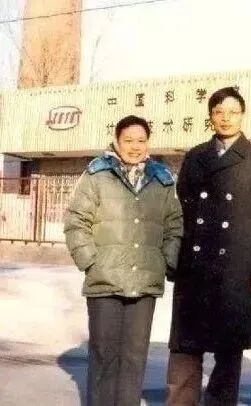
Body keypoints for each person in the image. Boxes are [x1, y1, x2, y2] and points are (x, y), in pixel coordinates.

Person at [166, 86, 251, 406]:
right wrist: (175, 259)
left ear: (243, 115)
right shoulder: (195, 157)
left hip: (237, 266)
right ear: (210, 116)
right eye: (219, 112)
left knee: (228, 351)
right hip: (194, 264)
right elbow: (181, 210)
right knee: (185, 347)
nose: (226, 118)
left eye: (233, 112)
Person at [64, 114, 183, 406]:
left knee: (134, 358)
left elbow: (175, 224)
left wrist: (165, 261)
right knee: (104, 357)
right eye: (128, 140)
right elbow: (76, 220)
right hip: (104, 281)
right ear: (117, 142)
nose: (135, 146)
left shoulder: (162, 179)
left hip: (145, 281)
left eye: (141, 140)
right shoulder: (97, 175)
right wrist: (91, 261)